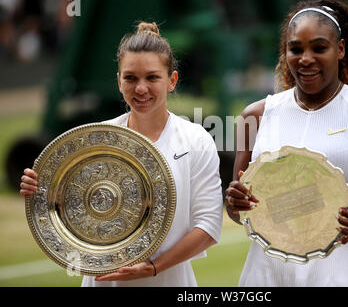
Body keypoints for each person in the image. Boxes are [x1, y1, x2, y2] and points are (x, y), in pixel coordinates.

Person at [225, 0, 348, 287]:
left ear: (340, 49)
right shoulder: (256, 115)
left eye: (319, 48)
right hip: (265, 274)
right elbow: (239, 213)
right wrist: (235, 201)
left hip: (339, 273)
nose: (305, 59)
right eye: (295, 49)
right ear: (285, 52)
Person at [19, 21, 223, 287]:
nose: (141, 88)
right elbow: (69, 210)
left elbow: (208, 226)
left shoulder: (196, 140)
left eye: (152, 77)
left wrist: (152, 267)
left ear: (171, 80)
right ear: (118, 81)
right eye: (130, 78)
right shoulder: (92, 142)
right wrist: (41, 187)